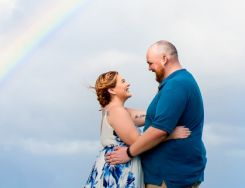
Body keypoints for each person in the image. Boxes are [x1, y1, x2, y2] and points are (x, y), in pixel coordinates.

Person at [105, 40, 206, 188]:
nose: (149, 68)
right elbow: (152, 119)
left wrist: (128, 153)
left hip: (168, 176)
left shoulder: (175, 86)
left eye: (150, 63)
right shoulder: (178, 83)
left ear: (164, 59)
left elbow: (159, 130)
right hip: (171, 173)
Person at [84, 70, 191, 188]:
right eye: (123, 81)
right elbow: (138, 142)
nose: (128, 84)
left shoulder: (119, 111)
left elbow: (151, 115)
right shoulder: (116, 111)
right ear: (111, 90)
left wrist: (163, 91)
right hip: (119, 171)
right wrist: (170, 134)